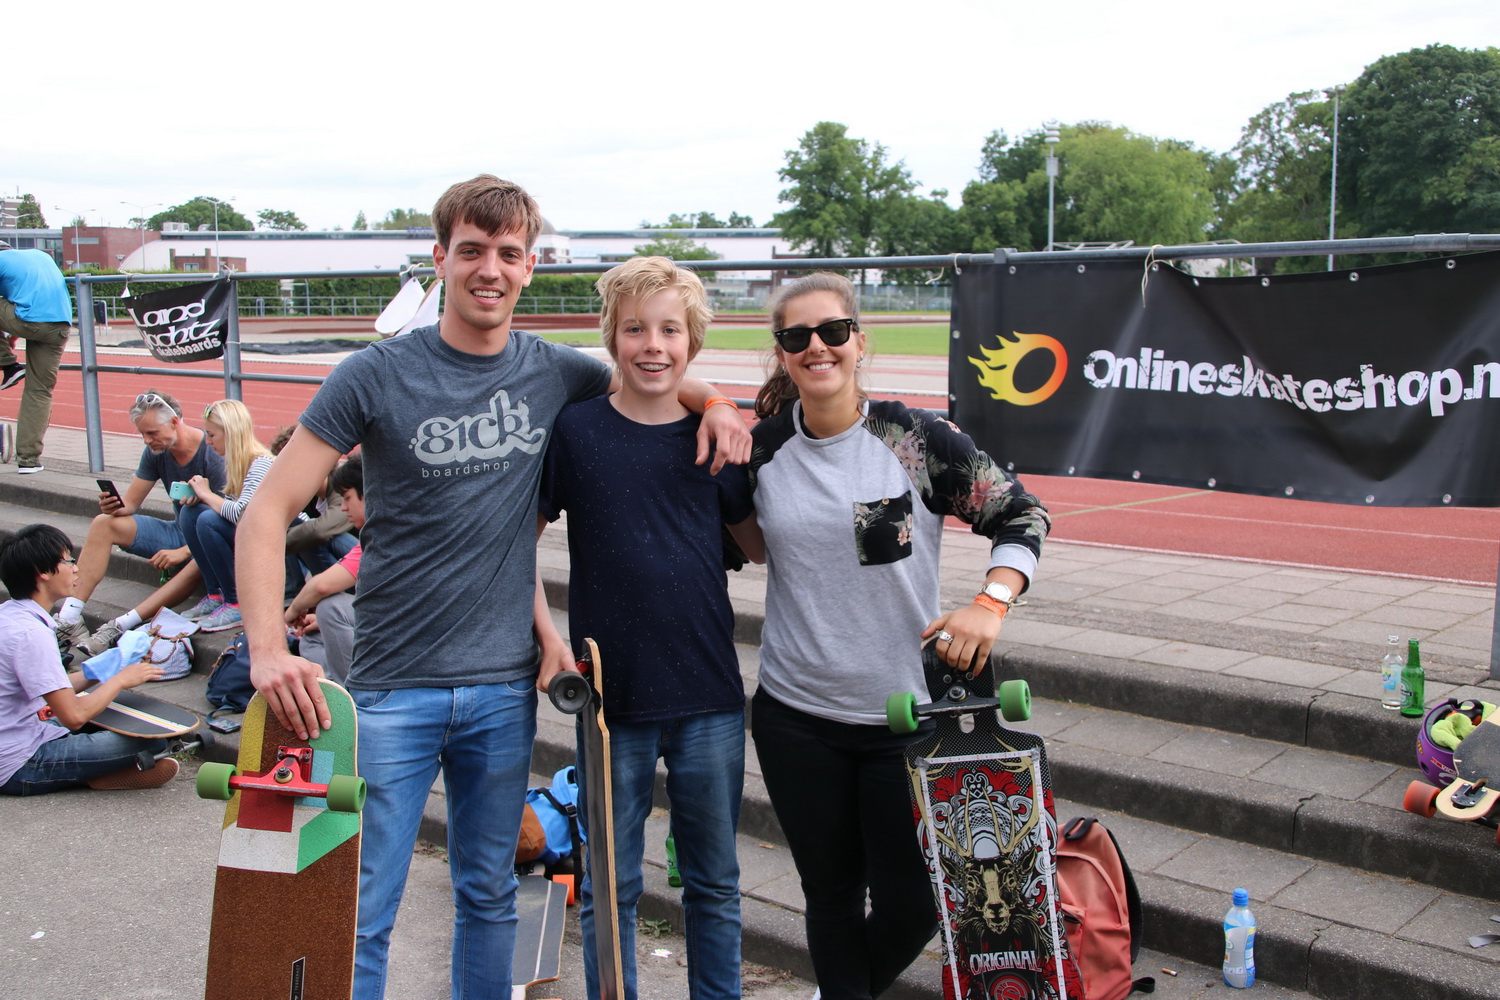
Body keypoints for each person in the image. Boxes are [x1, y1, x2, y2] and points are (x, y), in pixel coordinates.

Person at [234, 174, 750, 1000]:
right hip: (393, 685)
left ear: (529, 266)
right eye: (471, 250)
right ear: (440, 258)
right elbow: (265, 514)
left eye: (508, 254)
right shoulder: (373, 374)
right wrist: (265, 650)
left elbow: (650, 371)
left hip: (502, 691)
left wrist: (717, 400)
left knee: (488, 898)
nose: (490, 269)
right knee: (361, 907)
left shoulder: (556, 372)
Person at [744, 273, 1051, 1000]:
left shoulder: (914, 439)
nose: (817, 348)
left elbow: (1022, 513)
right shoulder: (759, 449)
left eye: (832, 331)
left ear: (859, 340)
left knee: (915, 903)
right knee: (830, 896)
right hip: (796, 716)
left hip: (907, 719)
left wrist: (992, 601)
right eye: (796, 337)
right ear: (781, 353)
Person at [536, 257, 759, 1000]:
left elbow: (759, 545)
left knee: (714, 884)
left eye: (670, 330)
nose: (653, 346)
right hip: (610, 700)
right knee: (609, 885)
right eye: (635, 329)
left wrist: (729, 414)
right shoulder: (577, 432)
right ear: (612, 338)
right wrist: (547, 638)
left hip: (708, 693)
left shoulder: (716, 438)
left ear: (693, 342)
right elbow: (517, 543)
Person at [1, 524, 176, 795]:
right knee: (151, 741)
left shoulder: (10, 615)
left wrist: (108, 666)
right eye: (68, 560)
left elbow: (51, 686)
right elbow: (73, 716)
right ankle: (93, 776)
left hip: (21, 732)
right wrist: (120, 679)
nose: (76, 568)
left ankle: (96, 770)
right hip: (19, 763)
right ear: (43, 572)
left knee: (109, 715)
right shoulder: (32, 634)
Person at [54, 390, 226, 653]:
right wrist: (113, 506)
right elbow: (131, 503)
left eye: (152, 433)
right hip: (180, 531)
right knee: (104, 522)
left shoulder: (213, 453)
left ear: (175, 422)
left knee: (198, 557)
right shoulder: (156, 452)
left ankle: (121, 625)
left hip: (214, 540)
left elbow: (229, 522)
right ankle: (69, 619)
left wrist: (184, 551)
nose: (147, 440)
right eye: (142, 434)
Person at [180, 399, 289, 633]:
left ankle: (236, 602)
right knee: (191, 513)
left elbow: (242, 514)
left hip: (284, 546)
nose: (207, 442)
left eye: (212, 435)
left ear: (230, 433)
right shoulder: (240, 463)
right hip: (257, 537)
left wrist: (207, 495)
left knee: (208, 520)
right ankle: (216, 595)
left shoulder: (260, 463)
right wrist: (203, 499)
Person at [285, 455, 365, 685]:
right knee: (312, 636)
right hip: (388, 617)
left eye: (348, 498)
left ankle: (353, 693)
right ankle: (330, 687)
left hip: (409, 632)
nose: (344, 507)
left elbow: (321, 586)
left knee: (331, 607)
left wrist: (290, 614)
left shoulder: (385, 532)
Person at [0, 240, 72, 473]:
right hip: (60, 325)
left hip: (29, 320)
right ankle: (28, 461)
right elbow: (30, 294)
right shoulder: (40, 256)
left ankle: (9, 365)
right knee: (39, 391)